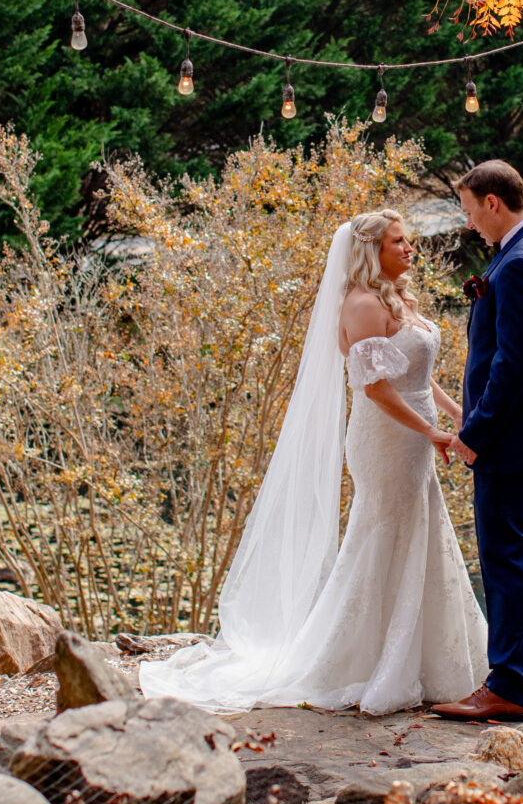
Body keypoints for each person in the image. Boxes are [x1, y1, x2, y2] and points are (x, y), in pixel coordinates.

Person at [138, 209, 488, 715]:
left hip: (413, 434)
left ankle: (425, 655)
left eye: (408, 240)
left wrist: (458, 412)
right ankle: (363, 659)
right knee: (384, 532)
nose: (410, 248)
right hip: (386, 438)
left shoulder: (396, 298)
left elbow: (413, 371)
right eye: (398, 242)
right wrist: (432, 430)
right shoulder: (363, 305)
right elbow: (375, 389)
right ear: (372, 250)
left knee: (421, 528)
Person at [434, 160, 523, 725]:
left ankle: (509, 686)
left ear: (493, 203)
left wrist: (474, 434)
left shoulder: (518, 264)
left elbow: (511, 367)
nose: (469, 224)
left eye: (470, 211)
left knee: (507, 557)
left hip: (510, 438)